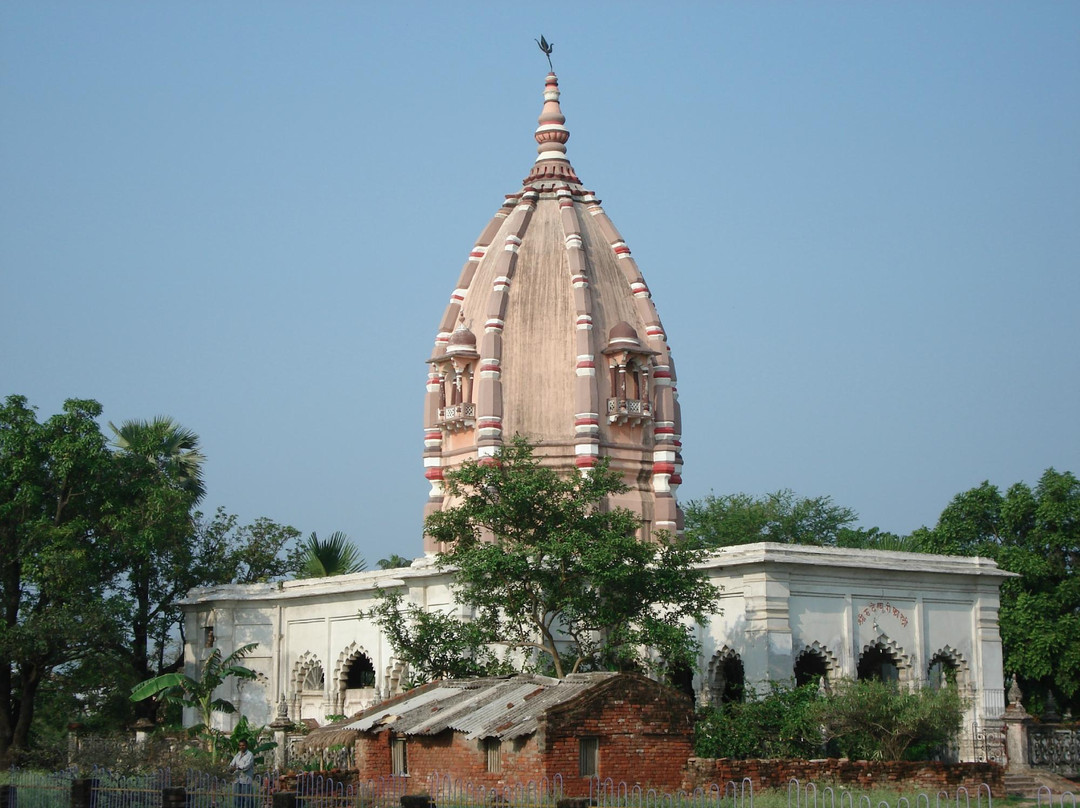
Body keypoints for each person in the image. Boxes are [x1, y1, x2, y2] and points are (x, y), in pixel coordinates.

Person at [229, 738, 255, 808]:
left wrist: (236, 768)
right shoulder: (238, 754)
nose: (241, 747)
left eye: (243, 745)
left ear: (246, 746)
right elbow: (232, 764)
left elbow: (246, 766)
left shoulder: (250, 755)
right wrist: (232, 768)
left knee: (248, 799)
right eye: (240, 745)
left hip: (246, 780)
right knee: (237, 799)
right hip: (237, 780)